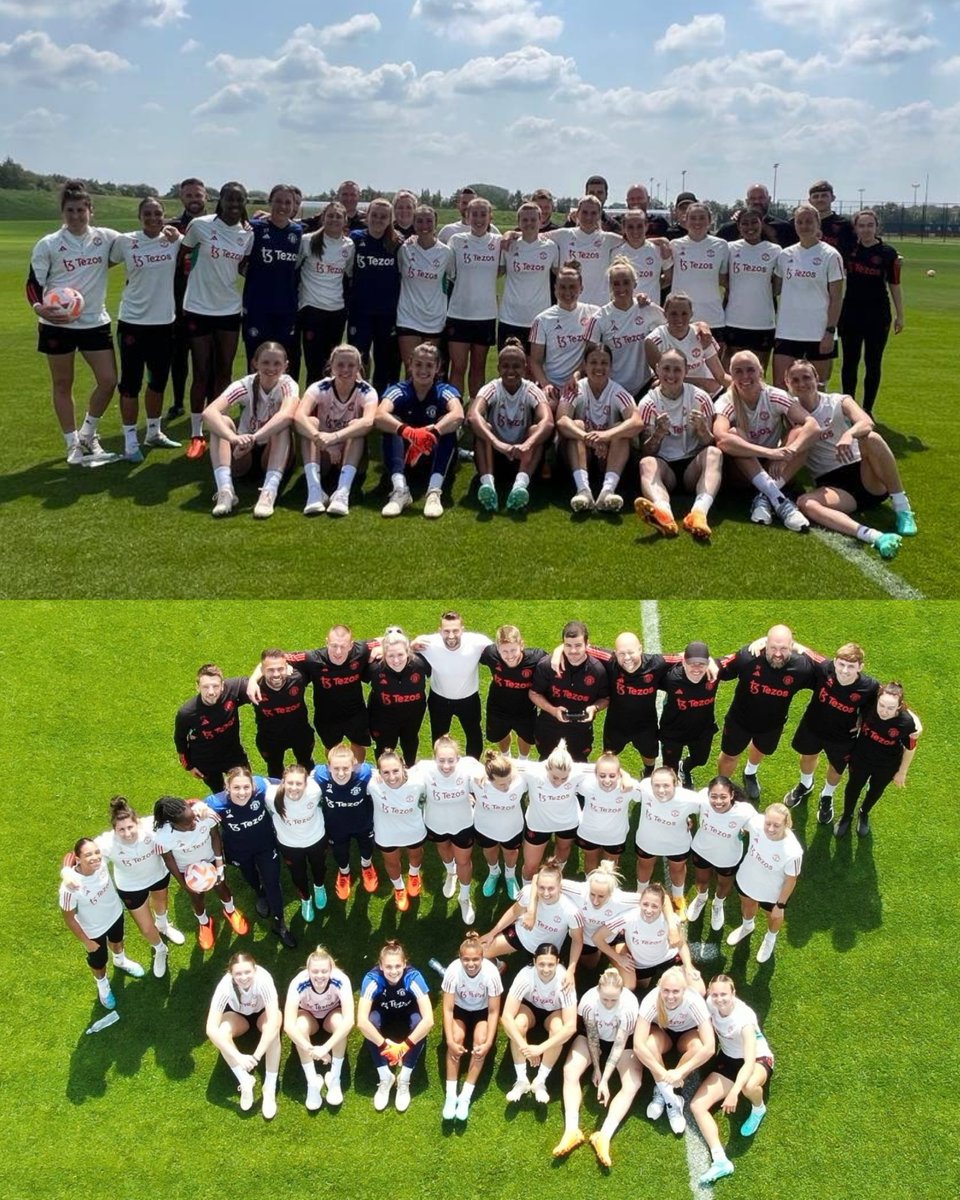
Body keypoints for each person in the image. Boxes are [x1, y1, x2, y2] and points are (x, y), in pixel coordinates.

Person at [28, 180, 123, 465]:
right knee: (62, 384)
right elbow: (34, 283)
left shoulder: (106, 238)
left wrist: (168, 231)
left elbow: (136, 243)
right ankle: (72, 445)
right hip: (58, 325)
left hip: (95, 322)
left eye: (81, 210)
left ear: (91, 211)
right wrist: (40, 308)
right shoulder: (49, 244)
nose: (76, 215)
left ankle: (87, 434)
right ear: (63, 212)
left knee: (108, 381)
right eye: (70, 210)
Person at [786, 357, 917, 558]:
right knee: (805, 503)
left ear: (817, 377)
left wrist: (849, 434)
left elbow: (866, 421)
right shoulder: (788, 409)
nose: (802, 383)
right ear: (787, 383)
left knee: (871, 438)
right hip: (833, 487)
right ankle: (873, 536)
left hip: (865, 474)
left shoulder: (838, 400)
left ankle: (902, 508)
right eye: (795, 380)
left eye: (806, 377)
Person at [64, 796, 184, 980]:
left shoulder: (151, 826)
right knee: (145, 928)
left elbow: (183, 809)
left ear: (137, 823)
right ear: (114, 830)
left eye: (130, 827)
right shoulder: (106, 843)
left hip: (158, 875)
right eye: (121, 829)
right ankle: (160, 949)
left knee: (160, 902)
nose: (127, 833)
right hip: (131, 887)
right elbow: (75, 854)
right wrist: (67, 872)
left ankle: (163, 925)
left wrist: (200, 809)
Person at [180, 181, 254, 458]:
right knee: (201, 371)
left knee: (223, 370)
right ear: (220, 200)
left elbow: (244, 267)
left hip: (229, 310)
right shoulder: (200, 225)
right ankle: (196, 433)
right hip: (198, 308)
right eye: (229, 200)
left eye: (239, 200)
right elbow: (182, 256)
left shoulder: (247, 234)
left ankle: (217, 427)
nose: (234, 205)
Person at [108, 195, 182, 460]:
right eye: (147, 214)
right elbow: (103, 264)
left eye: (157, 213)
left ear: (164, 216)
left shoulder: (174, 241)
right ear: (139, 217)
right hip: (132, 323)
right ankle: (130, 441)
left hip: (164, 323)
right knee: (130, 384)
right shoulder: (126, 242)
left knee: (158, 382)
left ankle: (153, 432)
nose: (153, 218)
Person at [712, 350, 819, 532]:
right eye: (738, 371)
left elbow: (813, 426)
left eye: (750, 370)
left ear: (760, 371)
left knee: (800, 432)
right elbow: (721, 439)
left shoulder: (774, 395)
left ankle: (765, 495)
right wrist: (769, 453)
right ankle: (779, 499)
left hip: (775, 468)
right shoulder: (726, 401)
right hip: (741, 473)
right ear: (731, 374)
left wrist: (788, 452)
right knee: (734, 433)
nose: (745, 376)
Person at [780, 640, 879, 821]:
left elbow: (890, 699)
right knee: (807, 757)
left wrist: (912, 719)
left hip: (842, 737)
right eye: (841, 664)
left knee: (836, 768)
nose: (845, 670)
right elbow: (801, 649)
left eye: (851, 666)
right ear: (834, 661)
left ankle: (827, 795)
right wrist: (762, 641)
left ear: (860, 667)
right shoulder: (824, 667)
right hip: (813, 726)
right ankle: (805, 784)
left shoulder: (870, 686)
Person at [691, 974, 775, 1185]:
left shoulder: (744, 1019)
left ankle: (758, 1107)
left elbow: (748, 1063)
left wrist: (733, 1093)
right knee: (697, 1105)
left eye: (724, 995)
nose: (719, 999)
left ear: (733, 994)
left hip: (756, 1059)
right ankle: (720, 1160)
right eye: (715, 994)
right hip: (728, 1059)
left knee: (748, 1086)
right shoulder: (710, 1004)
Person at [553, 968, 643, 1166]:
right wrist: (596, 1068)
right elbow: (592, 1037)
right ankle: (571, 1130)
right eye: (605, 999)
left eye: (614, 1000)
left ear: (621, 993)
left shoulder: (629, 1007)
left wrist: (605, 1079)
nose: (609, 1004)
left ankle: (604, 1135)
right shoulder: (588, 1002)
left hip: (621, 1043)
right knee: (570, 1071)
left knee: (633, 1084)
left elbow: (619, 1044)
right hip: (593, 1039)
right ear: (598, 991)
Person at [716, 625, 816, 801]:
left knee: (760, 748)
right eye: (773, 648)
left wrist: (804, 649)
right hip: (739, 721)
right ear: (765, 645)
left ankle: (750, 772)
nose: (778, 654)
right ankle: (723, 787)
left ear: (792, 646)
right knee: (730, 756)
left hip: (772, 725)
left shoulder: (801, 667)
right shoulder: (748, 657)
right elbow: (719, 667)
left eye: (784, 648)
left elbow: (830, 673)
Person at [201, 340, 298, 519]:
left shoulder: (288, 385)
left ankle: (269, 492)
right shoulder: (246, 384)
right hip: (243, 451)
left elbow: (287, 415)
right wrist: (233, 438)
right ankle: (225, 491)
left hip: (273, 450)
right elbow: (209, 412)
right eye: (265, 362)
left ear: (285, 366)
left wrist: (255, 437)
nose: (271, 368)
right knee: (221, 421)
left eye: (277, 363)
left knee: (282, 427)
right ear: (255, 364)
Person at [204, 766, 297, 948]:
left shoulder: (261, 786)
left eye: (246, 787)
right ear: (227, 787)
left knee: (273, 881)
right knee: (249, 874)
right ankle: (260, 894)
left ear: (253, 785)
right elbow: (191, 807)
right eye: (236, 788)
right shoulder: (216, 803)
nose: (242, 792)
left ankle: (279, 923)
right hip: (238, 850)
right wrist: (199, 807)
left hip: (265, 846)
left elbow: (282, 782)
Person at [634, 347, 721, 540]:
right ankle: (665, 515)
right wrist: (657, 435)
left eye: (677, 370)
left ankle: (699, 514)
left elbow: (711, 442)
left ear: (686, 371)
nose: (671, 375)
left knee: (715, 454)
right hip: (666, 469)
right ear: (657, 369)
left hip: (692, 466)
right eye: (666, 369)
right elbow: (645, 451)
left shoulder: (700, 398)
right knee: (646, 463)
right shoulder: (648, 403)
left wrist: (702, 430)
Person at [251, 625, 373, 762]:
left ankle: (357, 771)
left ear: (351, 645)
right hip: (327, 715)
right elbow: (272, 660)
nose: (338, 652)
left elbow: (390, 640)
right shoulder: (312, 658)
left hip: (355, 712)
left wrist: (381, 649)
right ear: (326, 642)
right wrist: (252, 680)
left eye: (343, 646)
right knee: (331, 747)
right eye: (333, 646)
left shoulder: (361, 649)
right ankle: (335, 771)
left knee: (358, 743)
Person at [375, 342, 464, 519]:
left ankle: (434, 492)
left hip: (432, 454)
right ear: (410, 365)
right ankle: (400, 490)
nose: (423, 370)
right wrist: (410, 433)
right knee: (393, 424)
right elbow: (379, 416)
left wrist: (433, 433)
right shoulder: (399, 390)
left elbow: (458, 414)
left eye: (429, 365)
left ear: (438, 367)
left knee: (447, 425)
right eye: (418, 364)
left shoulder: (444, 390)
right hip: (405, 456)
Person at [59, 836, 146, 1010]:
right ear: (78, 859)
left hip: (115, 915)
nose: (95, 857)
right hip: (94, 931)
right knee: (98, 962)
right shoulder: (70, 888)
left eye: (97, 852)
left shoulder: (102, 863)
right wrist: (86, 941)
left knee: (117, 942)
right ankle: (103, 985)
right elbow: (69, 918)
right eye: (88, 854)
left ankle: (120, 961)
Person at [468, 339, 554, 512]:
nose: (511, 371)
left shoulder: (531, 390)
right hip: (496, 454)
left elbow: (548, 421)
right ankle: (488, 485)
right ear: (498, 368)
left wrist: (527, 444)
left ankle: (520, 486)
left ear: (525, 368)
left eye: (516, 366)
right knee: (483, 427)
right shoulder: (492, 388)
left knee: (536, 429)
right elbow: (472, 415)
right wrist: (497, 443)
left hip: (523, 455)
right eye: (506, 366)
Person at [153, 794, 248, 949]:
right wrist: (184, 884)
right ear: (173, 824)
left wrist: (219, 863)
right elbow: (169, 860)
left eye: (194, 818)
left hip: (210, 860)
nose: (194, 823)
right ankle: (204, 923)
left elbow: (215, 836)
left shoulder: (205, 815)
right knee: (196, 897)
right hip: (188, 870)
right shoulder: (163, 837)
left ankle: (230, 911)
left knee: (221, 886)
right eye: (188, 824)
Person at [295, 343, 377, 516]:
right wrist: (320, 438)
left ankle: (342, 492)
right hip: (323, 450)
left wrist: (334, 437)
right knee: (311, 421)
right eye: (340, 365)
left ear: (359, 368)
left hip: (350, 450)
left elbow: (369, 421)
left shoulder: (367, 391)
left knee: (357, 425)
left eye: (351, 365)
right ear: (331, 367)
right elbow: (299, 416)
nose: (345, 369)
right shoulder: (320, 387)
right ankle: (315, 491)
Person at [632, 966, 715, 1135]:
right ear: (659, 988)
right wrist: (663, 1074)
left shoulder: (694, 1001)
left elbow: (710, 1047)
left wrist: (680, 1072)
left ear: (684, 990)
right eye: (666, 991)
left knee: (698, 1048)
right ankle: (671, 1098)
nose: (670, 996)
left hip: (687, 1034)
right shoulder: (651, 1000)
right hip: (662, 1032)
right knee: (649, 1045)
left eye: (676, 991)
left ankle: (663, 1092)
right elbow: (638, 1045)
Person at [556, 342, 637, 512]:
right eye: (593, 362)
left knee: (621, 429)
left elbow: (637, 422)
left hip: (607, 458)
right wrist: (588, 438)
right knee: (575, 425)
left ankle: (607, 492)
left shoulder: (617, 391)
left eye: (604, 363)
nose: (598, 367)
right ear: (585, 366)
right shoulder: (575, 389)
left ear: (611, 366)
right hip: (578, 453)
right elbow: (562, 421)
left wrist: (606, 436)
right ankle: (583, 490)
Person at [835, 682, 920, 838]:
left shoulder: (906, 723)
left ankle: (864, 813)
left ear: (899, 707)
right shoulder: (870, 706)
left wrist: (902, 772)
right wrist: (859, 720)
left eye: (890, 708)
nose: (884, 711)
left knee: (876, 790)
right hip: (861, 758)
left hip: (886, 765)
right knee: (853, 787)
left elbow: (911, 747)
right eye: (882, 705)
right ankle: (847, 815)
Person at [772, 203, 845, 387]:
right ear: (794, 225)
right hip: (787, 331)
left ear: (818, 224)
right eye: (800, 222)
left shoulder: (830, 255)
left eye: (809, 222)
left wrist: (830, 331)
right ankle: (783, 418)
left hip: (818, 333)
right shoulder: (785, 255)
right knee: (780, 387)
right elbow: (775, 288)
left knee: (817, 390)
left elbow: (836, 298)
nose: (804, 226)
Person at [839, 210, 904, 413]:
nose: (866, 229)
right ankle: (849, 410)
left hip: (878, 315)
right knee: (850, 362)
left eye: (870, 225)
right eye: (861, 225)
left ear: (877, 227)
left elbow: (894, 284)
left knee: (873, 363)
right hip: (850, 314)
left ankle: (867, 410)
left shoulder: (888, 253)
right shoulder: (847, 249)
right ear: (856, 228)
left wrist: (900, 315)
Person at [356, 940, 433, 1112]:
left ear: (405, 964)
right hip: (382, 1012)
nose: (393, 971)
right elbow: (361, 1021)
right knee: (370, 1023)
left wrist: (403, 1047)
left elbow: (429, 1020)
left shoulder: (412, 977)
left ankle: (404, 1078)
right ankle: (385, 1076)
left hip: (408, 1011)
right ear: (381, 966)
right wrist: (386, 1046)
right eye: (388, 967)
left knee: (420, 1023)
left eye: (398, 966)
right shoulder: (372, 979)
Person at [205, 953, 282, 1119]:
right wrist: (239, 1057)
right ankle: (245, 1080)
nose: (244, 977)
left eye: (247, 972)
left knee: (273, 1030)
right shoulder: (225, 986)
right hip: (238, 1016)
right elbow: (210, 1029)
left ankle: (269, 1088)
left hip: (263, 1014)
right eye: (238, 974)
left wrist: (255, 1057)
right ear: (231, 973)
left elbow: (274, 1020)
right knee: (222, 1032)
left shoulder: (264, 980)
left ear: (255, 970)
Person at [501, 944, 577, 1103]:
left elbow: (571, 1026)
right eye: (541, 964)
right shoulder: (525, 975)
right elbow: (506, 1017)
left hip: (554, 1012)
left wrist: (540, 1049)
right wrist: (525, 1047)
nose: (546, 969)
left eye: (551, 964)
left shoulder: (565, 980)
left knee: (559, 1029)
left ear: (558, 962)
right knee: (517, 1023)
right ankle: (521, 1080)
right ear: (534, 961)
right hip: (530, 1008)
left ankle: (540, 1081)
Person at [726, 803, 802, 962]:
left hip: (771, 893)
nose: (771, 829)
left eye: (777, 825)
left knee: (773, 917)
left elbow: (791, 879)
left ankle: (770, 939)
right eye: (768, 823)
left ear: (786, 824)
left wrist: (780, 906)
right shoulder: (756, 823)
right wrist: (742, 831)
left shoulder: (793, 851)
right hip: (747, 879)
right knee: (747, 904)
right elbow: (742, 819)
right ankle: (747, 926)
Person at [440, 931, 504, 1120]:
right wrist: (450, 1040)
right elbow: (448, 1009)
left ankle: (465, 1096)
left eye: (475, 959)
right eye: (466, 960)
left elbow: (493, 1012)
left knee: (480, 1042)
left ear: (482, 958)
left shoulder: (491, 974)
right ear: (460, 958)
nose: (471, 964)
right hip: (459, 1010)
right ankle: (451, 1097)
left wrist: (489, 1043)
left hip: (482, 1012)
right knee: (457, 1039)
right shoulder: (453, 972)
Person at [417, 734, 481, 924]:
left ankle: (465, 897)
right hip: (435, 824)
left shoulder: (468, 766)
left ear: (458, 759)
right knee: (443, 849)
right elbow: (401, 775)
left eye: (450, 761)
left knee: (464, 861)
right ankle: (450, 873)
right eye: (441, 761)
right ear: (434, 758)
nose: (446, 766)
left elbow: (489, 771)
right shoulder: (423, 769)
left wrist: (481, 776)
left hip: (462, 824)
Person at [412, 611, 492, 759]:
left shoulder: (478, 642)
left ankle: (472, 766)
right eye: (446, 631)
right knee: (438, 737)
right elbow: (404, 651)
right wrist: (411, 645)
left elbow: (500, 651)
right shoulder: (427, 643)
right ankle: (442, 764)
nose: (451, 635)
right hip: (439, 700)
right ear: (439, 630)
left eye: (455, 630)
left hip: (469, 699)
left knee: (473, 734)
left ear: (462, 629)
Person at [283, 945, 354, 1109]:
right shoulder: (298, 983)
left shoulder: (341, 980)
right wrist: (312, 1049)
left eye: (324, 971)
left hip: (331, 1014)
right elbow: (288, 1025)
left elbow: (349, 1020)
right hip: (309, 1017)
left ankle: (334, 1078)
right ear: (308, 971)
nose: (319, 976)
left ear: (331, 970)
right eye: (315, 972)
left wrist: (325, 1048)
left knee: (340, 1022)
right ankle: (313, 1082)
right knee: (299, 1026)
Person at [479, 859, 584, 969]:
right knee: (478, 952)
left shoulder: (571, 911)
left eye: (551, 888)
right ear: (536, 885)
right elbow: (514, 912)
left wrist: (571, 970)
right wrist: (492, 933)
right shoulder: (528, 893)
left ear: (560, 887)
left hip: (546, 950)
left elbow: (577, 940)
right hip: (521, 935)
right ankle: (498, 965)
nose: (546, 893)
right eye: (541, 888)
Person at [529, 619, 610, 760]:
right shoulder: (547, 666)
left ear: (587, 644)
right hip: (549, 727)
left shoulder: (598, 670)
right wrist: (553, 711)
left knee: (579, 764)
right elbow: (534, 693)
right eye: (568, 645)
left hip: (580, 730)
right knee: (546, 763)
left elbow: (605, 698)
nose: (573, 651)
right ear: (562, 645)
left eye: (578, 645)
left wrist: (594, 708)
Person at [585, 257, 665, 399]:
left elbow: (676, 326)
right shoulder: (600, 318)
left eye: (626, 282)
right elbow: (590, 356)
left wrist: (699, 326)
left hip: (645, 385)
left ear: (635, 283)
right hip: (613, 388)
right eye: (616, 284)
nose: (621, 288)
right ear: (610, 286)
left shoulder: (647, 309)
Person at [241, 183, 302, 371]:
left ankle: (279, 400)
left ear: (294, 206)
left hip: (286, 308)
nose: (282, 206)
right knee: (256, 358)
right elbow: (239, 262)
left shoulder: (299, 232)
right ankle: (252, 399)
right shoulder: (255, 228)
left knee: (281, 360)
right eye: (278, 201)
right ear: (270, 202)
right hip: (257, 306)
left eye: (287, 202)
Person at [446, 197, 501, 401]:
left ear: (490, 217)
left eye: (483, 214)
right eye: (474, 214)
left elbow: (501, 269)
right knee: (458, 367)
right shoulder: (457, 241)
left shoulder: (498, 242)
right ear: (467, 216)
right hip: (459, 312)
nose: (478, 219)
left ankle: (475, 412)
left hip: (485, 315)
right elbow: (450, 272)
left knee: (478, 367)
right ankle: (456, 410)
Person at [594, 882, 694, 993]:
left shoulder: (671, 920)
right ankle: (619, 945)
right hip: (642, 964)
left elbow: (681, 944)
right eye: (645, 904)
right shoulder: (628, 918)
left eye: (655, 906)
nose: (649, 910)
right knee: (635, 986)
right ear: (639, 902)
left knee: (698, 989)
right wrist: (619, 958)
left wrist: (688, 966)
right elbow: (597, 938)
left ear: (662, 906)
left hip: (667, 956)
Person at [686, 776, 757, 932]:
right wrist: (687, 818)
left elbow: (759, 827)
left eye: (723, 797)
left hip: (728, 858)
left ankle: (718, 904)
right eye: (714, 796)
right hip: (702, 850)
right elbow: (683, 805)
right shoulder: (702, 799)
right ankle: (701, 897)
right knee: (701, 880)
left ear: (732, 795)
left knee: (724, 884)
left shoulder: (744, 811)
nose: (718, 802)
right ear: (708, 794)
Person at [347, 197, 402, 394]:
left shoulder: (398, 243)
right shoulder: (355, 239)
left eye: (384, 216)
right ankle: (357, 397)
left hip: (387, 312)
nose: (378, 220)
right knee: (358, 357)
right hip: (359, 311)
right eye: (375, 215)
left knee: (383, 357)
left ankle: (379, 399)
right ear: (367, 216)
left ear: (390, 219)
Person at [296, 201, 355, 386]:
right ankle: (310, 411)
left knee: (331, 366)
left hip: (336, 311)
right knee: (314, 366)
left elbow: (349, 273)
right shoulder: (307, 241)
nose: (334, 219)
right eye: (330, 215)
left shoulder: (349, 246)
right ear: (323, 218)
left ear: (345, 220)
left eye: (338, 216)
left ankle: (328, 410)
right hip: (311, 309)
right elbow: (295, 267)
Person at [529, 262, 600, 410]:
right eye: (562, 287)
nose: (567, 292)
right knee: (550, 411)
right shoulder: (542, 320)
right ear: (555, 289)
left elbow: (619, 309)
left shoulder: (594, 314)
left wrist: (577, 375)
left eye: (572, 287)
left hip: (580, 384)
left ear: (581, 288)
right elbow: (535, 361)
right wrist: (546, 384)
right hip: (552, 384)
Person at [514, 739, 589, 878]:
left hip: (567, 823)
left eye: (564, 778)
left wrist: (625, 778)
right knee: (530, 867)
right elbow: (503, 763)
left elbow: (609, 767)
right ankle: (527, 895)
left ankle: (555, 880)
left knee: (563, 850)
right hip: (538, 825)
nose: (558, 782)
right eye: (555, 777)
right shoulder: (533, 771)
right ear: (546, 767)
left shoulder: (578, 770)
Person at [311, 744, 376, 902]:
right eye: (336, 768)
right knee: (340, 852)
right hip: (336, 826)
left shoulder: (365, 773)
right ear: (328, 767)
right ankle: (344, 872)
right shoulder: (319, 776)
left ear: (354, 765)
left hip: (363, 823)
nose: (341, 773)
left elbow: (381, 777)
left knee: (367, 847)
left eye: (346, 768)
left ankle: (366, 865)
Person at [174, 662, 251, 794]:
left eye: (215, 686)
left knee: (245, 787)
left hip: (233, 754)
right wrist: (189, 766)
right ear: (197, 687)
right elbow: (180, 740)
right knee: (219, 793)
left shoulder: (232, 690)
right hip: (205, 761)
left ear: (222, 686)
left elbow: (257, 683)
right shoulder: (187, 713)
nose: (211, 692)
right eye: (205, 687)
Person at [264, 763, 328, 921]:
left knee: (319, 868)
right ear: (283, 782)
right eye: (290, 783)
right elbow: (257, 782)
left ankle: (319, 887)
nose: (294, 787)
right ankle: (306, 900)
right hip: (289, 845)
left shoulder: (315, 790)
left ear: (306, 783)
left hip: (316, 839)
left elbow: (325, 770)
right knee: (298, 876)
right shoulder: (271, 796)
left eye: (299, 783)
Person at [166, 176, 207, 420]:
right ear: (182, 198)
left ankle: (207, 403)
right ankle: (178, 401)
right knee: (178, 354)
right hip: (177, 299)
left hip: (207, 301)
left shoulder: (219, 225)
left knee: (204, 358)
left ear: (206, 198)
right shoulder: (170, 227)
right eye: (189, 195)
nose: (194, 200)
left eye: (198, 195)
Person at [634, 767, 703, 914]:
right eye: (657, 785)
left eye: (666, 785)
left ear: (676, 784)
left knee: (677, 869)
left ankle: (678, 898)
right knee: (644, 866)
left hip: (677, 844)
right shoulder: (644, 787)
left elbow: (711, 807)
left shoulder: (689, 798)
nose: (661, 790)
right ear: (650, 784)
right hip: (647, 841)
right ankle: (640, 894)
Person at [396, 204, 454, 369]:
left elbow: (450, 277)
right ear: (414, 224)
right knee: (411, 369)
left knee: (428, 370)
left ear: (436, 223)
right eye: (419, 221)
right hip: (408, 316)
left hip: (434, 317)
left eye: (429, 221)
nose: (424, 226)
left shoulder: (446, 252)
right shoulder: (405, 249)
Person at [368, 749, 427, 911]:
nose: (392, 777)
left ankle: (414, 875)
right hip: (387, 834)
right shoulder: (372, 784)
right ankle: (399, 888)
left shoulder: (418, 782)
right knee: (392, 861)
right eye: (385, 772)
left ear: (403, 767)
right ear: (379, 772)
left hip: (413, 830)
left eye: (395, 771)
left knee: (415, 855)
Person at [658, 641, 722, 788]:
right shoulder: (671, 677)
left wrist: (763, 641)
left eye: (701, 664)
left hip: (702, 730)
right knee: (669, 768)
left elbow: (739, 657)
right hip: (673, 732)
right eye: (692, 663)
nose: (697, 668)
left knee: (700, 760)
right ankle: (673, 786)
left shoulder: (714, 673)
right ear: (684, 663)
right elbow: (648, 663)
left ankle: (684, 768)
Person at [722, 208, 780, 370]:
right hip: (734, 319)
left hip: (763, 322)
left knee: (758, 371)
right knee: (730, 370)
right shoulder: (730, 248)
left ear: (762, 224)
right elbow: (723, 278)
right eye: (744, 223)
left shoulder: (775, 251)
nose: (750, 227)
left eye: (754, 222)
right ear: (739, 227)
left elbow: (777, 286)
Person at [364, 627, 431, 767]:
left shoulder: (420, 664)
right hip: (383, 720)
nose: (396, 661)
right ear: (383, 654)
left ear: (408, 652)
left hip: (412, 718)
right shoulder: (374, 668)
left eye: (400, 655)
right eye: (390, 656)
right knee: (384, 752)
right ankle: (384, 776)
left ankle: (411, 769)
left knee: (410, 743)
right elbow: (351, 649)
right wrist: (376, 644)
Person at [497, 201, 559, 352]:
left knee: (535, 368)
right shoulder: (508, 246)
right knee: (510, 366)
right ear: (518, 222)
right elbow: (497, 273)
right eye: (524, 220)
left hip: (540, 319)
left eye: (533, 219)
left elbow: (559, 275)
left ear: (540, 221)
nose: (529, 223)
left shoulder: (551, 247)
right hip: (509, 317)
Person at [480, 626, 547, 759]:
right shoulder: (490, 654)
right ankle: (506, 757)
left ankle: (523, 761)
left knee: (526, 737)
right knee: (501, 734)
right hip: (498, 707)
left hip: (526, 709)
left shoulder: (536, 657)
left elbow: (557, 658)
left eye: (513, 650)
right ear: (497, 648)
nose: (510, 656)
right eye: (504, 651)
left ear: (521, 645)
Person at [248, 648, 314, 777]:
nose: (276, 674)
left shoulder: (298, 678)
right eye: (270, 670)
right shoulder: (252, 688)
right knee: (275, 769)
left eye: (280, 669)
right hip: (270, 739)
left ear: (287, 667)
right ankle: (278, 795)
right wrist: (252, 680)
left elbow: (321, 659)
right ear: (262, 671)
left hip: (300, 734)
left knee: (306, 764)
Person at [644, 292, 727, 394]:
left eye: (684, 313)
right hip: (675, 389)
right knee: (656, 386)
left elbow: (720, 376)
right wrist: (702, 382)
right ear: (665, 314)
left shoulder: (702, 335)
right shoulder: (653, 341)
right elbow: (663, 378)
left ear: (691, 314)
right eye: (674, 313)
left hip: (707, 393)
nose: (679, 318)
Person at [549, 195, 623, 306]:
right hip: (570, 306)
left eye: (593, 213)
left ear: (599, 215)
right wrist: (513, 234)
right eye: (584, 212)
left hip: (599, 306)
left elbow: (636, 240)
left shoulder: (609, 239)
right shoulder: (563, 235)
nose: (588, 217)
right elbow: (535, 236)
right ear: (577, 213)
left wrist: (659, 241)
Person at [574, 752, 643, 872]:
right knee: (590, 860)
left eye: (612, 776)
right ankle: (590, 885)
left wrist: (626, 777)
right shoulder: (587, 784)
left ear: (618, 775)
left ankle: (608, 889)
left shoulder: (628, 787)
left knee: (610, 867)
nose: (607, 780)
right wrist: (624, 774)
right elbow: (572, 768)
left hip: (615, 836)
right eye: (602, 775)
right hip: (589, 833)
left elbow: (650, 797)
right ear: (595, 774)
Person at [669, 203, 729, 337]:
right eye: (693, 218)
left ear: (710, 220)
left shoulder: (721, 245)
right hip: (682, 316)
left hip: (713, 316)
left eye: (702, 218)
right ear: (686, 220)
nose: (697, 222)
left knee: (713, 358)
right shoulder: (674, 245)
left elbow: (723, 278)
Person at [615, 209, 672, 304]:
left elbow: (668, 278)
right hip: (624, 313)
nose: (635, 231)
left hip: (650, 312)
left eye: (639, 226)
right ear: (624, 228)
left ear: (646, 226)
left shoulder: (659, 250)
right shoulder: (615, 253)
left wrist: (653, 286)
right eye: (630, 227)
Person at [716, 183, 795, 247]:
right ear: (747, 201)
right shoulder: (728, 229)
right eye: (752, 198)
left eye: (761, 198)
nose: (757, 202)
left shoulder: (784, 229)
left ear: (769, 199)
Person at [807, 180, 856, 262]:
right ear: (809, 200)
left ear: (833, 198)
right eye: (815, 196)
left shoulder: (845, 225)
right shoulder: (799, 223)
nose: (820, 199)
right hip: (805, 272)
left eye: (824, 196)